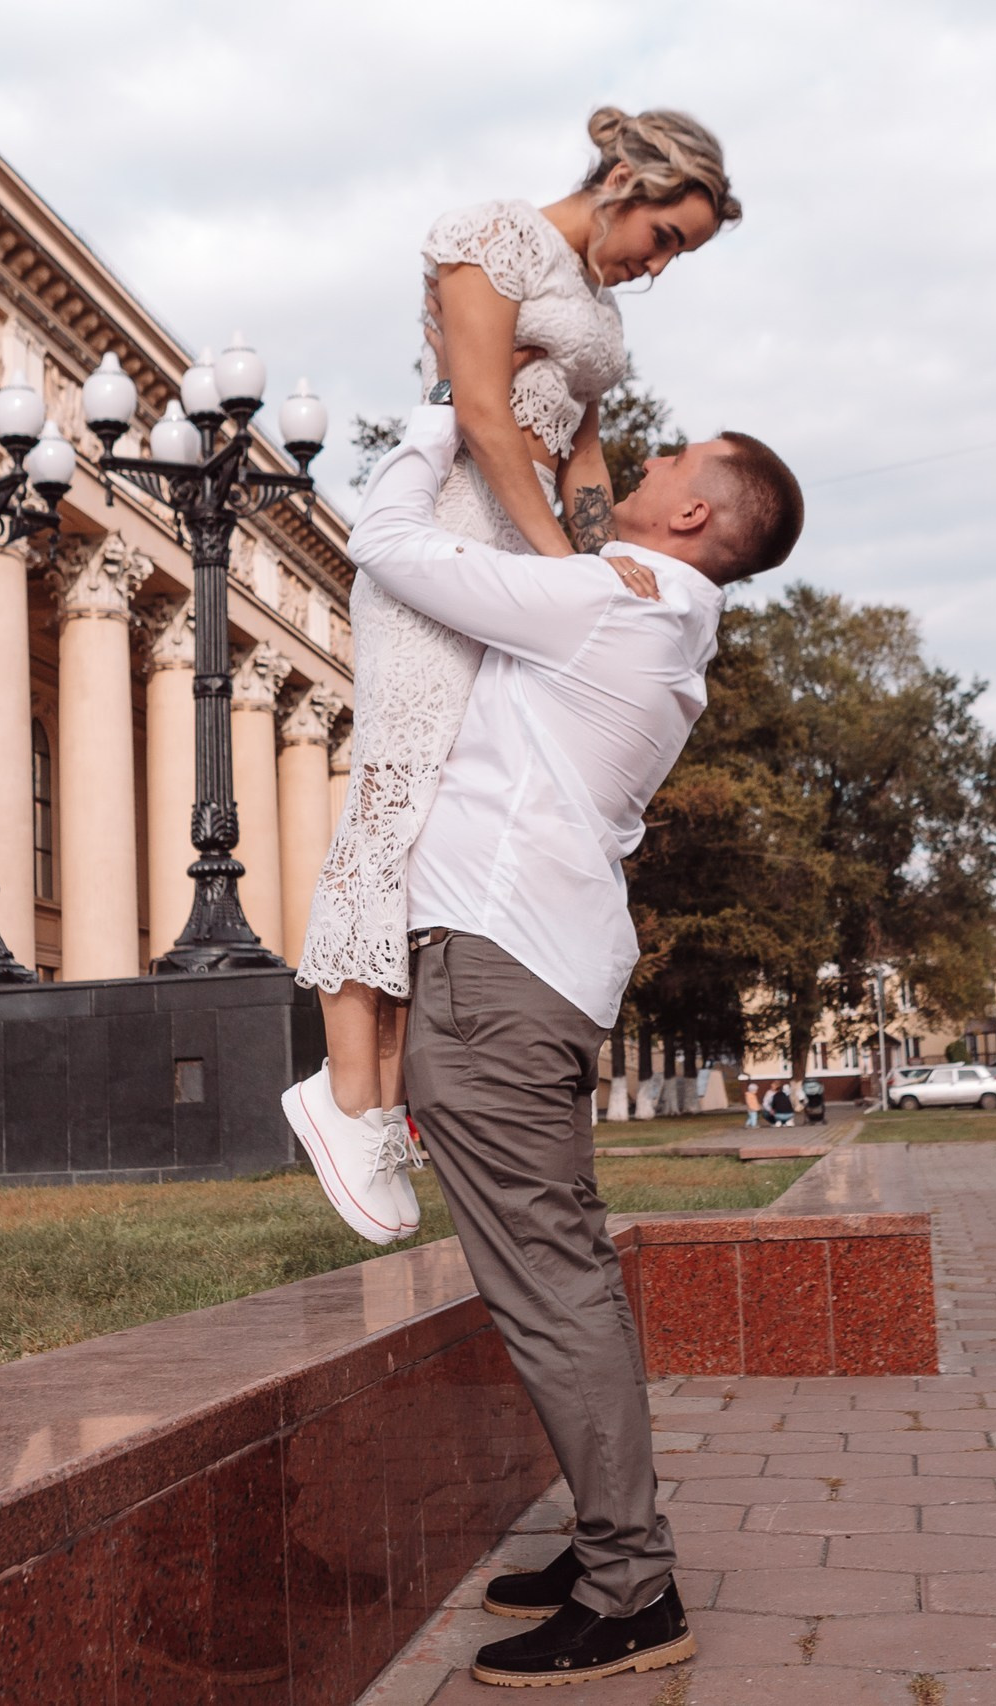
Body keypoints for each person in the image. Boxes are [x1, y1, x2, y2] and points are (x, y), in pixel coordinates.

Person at [344, 397, 804, 1685]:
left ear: (697, 513)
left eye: (664, 464)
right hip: (532, 964)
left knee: (548, 1286)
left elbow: (390, 544)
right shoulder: (652, 608)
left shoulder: (612, 604)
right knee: (563, 1275)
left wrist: (450, 424)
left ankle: (630, 1588)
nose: (638, 471)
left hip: (494, 970)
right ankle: (612, 1542)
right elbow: (583, 524)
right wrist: (578, 426)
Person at [283, 108, 742, 1246]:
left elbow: (581, 450)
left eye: (682, 251)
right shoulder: (486, 234)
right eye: (669, 236)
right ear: (625, 179)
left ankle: (383, 1101)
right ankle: (346, 1100)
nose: (662, 264)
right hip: (446, 537)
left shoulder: (594, 309)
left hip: (526, 559)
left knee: (447, 798)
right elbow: (482, 415)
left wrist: (599, 566)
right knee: (396, 784)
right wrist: (563, 575)